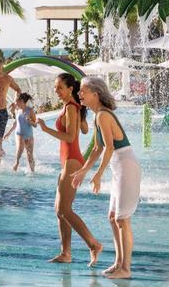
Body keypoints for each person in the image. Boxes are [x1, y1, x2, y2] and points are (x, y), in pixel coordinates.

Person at [71, 76, 141, 280]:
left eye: (83, 91)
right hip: (119, 166)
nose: (79, 94)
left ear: (96, 93)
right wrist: (85, 170)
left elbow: (109, 147)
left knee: (122, 218)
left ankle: (126, 269)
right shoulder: (97, 115)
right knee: (113, 217)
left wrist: (98, 174)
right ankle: (118, 263)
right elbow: (97, 148)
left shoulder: (103, 115)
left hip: (126, 165)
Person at [38, 73, 102, 266]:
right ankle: (65, 253)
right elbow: (84, 130)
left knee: (64, 209)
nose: (56, 91)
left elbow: (70, 137)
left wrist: (45, 128)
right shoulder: (74, 107)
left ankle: (93, 244)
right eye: (56, 88)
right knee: (60, 210)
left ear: (70, 89)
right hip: (68, 161)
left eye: (59, 88)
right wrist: (81, 112)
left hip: (73, 161)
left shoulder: (71, 108)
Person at [3, 92, 37, 172]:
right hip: (19, 134)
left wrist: (30, 121)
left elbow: (35, 125)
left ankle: (33, 172)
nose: (15, 103)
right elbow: (15, 124)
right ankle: (16, 163)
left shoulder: (30, 110)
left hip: (29, 135)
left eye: (16, 101)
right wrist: (8, 133)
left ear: (21, 101)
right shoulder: (18, 110)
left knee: (30, 155)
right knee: (20, 150)